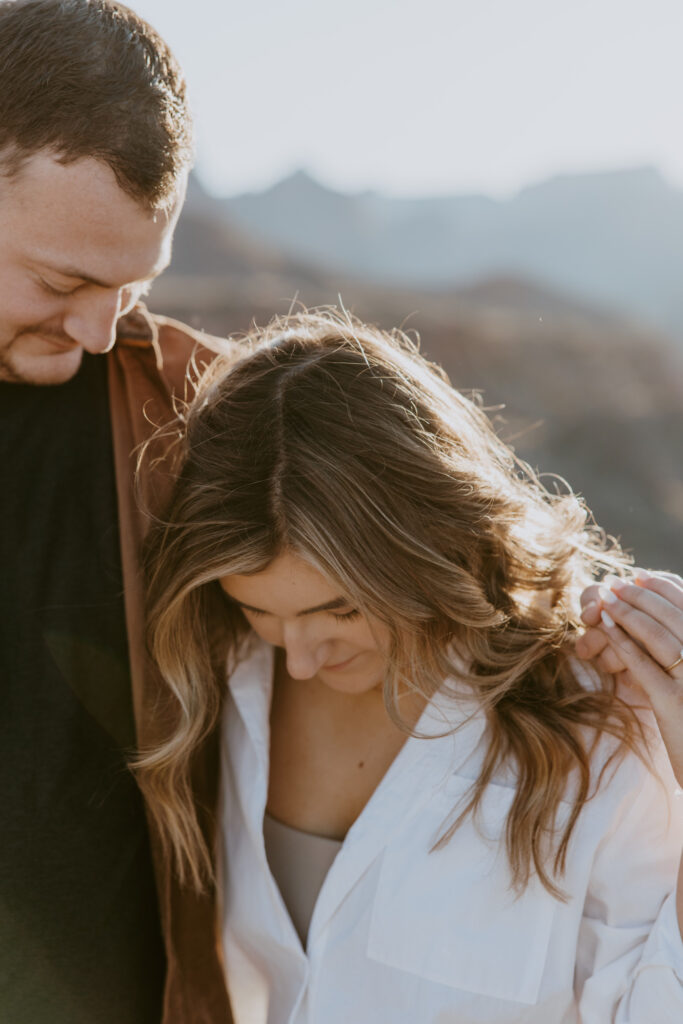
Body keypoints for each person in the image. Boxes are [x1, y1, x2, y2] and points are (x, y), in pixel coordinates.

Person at [139, 309, 683, 1023]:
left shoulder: (604, 703)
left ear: (425, 547)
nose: (297, 660)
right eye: (260, 611)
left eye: (337, 611)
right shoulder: (222, 676)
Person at [0, 2, 231, 1020]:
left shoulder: (196, 410)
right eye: (63, 280)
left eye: (133, 290)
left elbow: (457, 554)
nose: (100, 332)